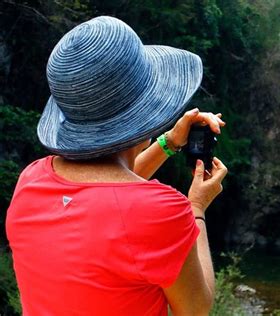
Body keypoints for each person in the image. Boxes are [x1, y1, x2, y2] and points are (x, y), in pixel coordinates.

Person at [6, 16, 227, 316]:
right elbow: (196, 309)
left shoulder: (31, 181)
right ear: (147, 111)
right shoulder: (162, 212)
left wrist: (169, 142)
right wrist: (196, 208)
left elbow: (109, 196)